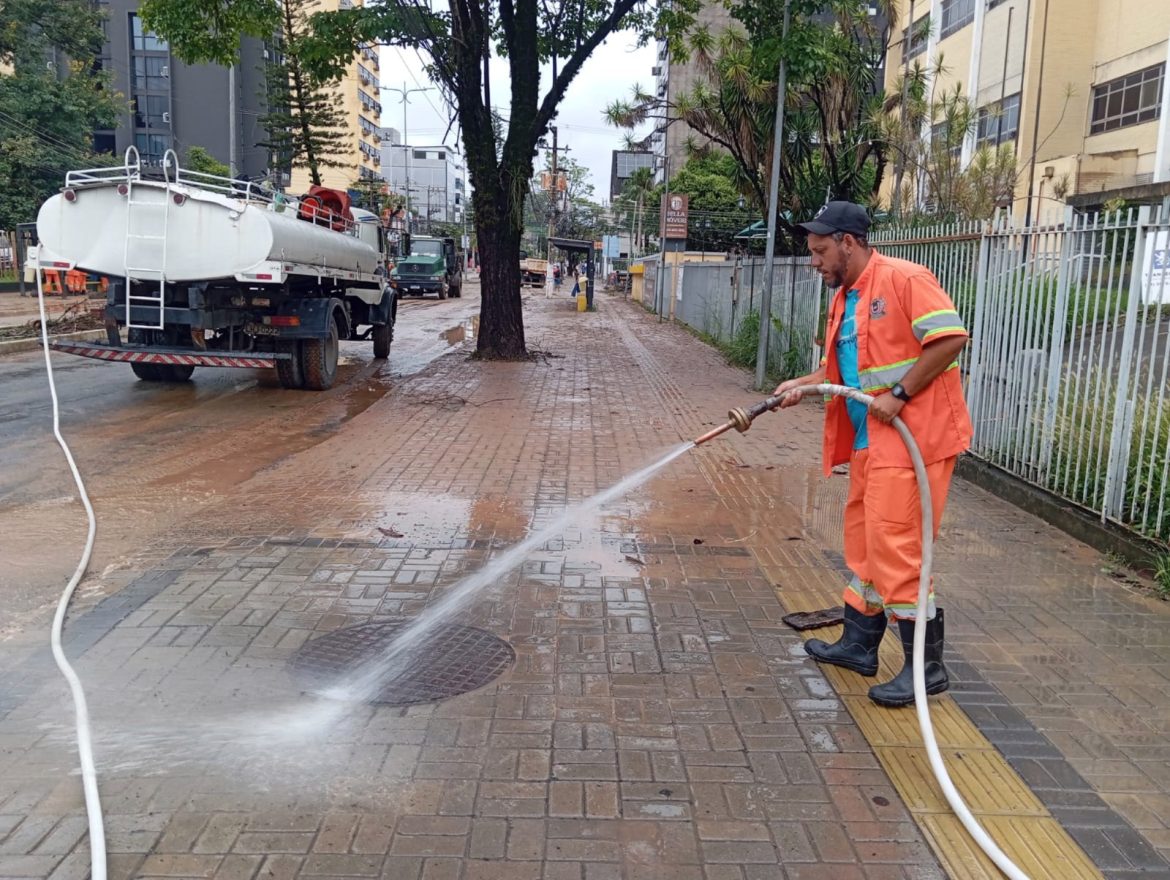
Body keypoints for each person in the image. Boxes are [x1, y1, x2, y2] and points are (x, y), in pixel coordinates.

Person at [774, 201, 972, 708]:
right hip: (871, 444)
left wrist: (900, 394)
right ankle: (859, 645)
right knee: (865, 547)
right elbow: (844, 372)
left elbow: (950, 339)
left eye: (820, 250)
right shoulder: (846, 298)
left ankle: (926, 670)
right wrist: (801, 385)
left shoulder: (905, 279)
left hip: (913, 442)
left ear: (849, 242)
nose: (814, 261)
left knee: (898, 550)